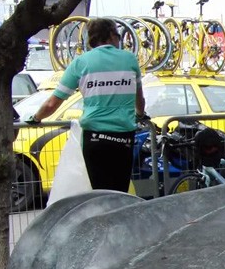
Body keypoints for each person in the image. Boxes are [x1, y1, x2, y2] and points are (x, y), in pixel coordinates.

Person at [25, 17, 146, 192]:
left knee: (98, 192)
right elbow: (140, 100)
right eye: (118, 36)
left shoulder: (80, 63)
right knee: (119, 191)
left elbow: (52, 103)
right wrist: (140, 114)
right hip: (123, 136)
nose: (119, 40)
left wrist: (36, 118)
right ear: (111, 35)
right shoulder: (129, 60)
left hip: (94, 137)